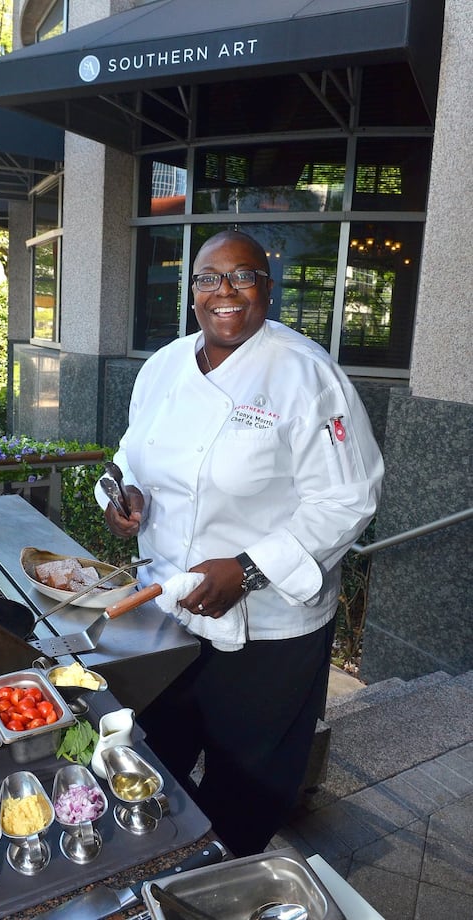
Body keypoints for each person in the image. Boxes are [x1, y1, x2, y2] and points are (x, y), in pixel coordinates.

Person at [96, 230, 384, 856]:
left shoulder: (308, 376)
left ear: (267, 287)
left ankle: (221, 880)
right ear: (191, 289)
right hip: (167, 612)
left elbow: (350, 496)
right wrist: (120, 498)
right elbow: (126, 458)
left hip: (268, 630)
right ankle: (148, 871)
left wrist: (248, 570)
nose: (223, 291)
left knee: (246, 783)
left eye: (242, 275)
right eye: (208, 277)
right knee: (153, 759)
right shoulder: (164, 366)